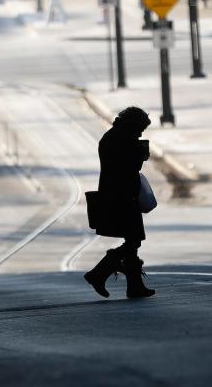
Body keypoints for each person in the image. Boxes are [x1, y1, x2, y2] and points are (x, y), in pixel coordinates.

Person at [84, 106, 155, 299]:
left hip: (118, 195)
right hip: (122, 197)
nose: (141, 133)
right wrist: (141, 155)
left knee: (132, 241)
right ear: (133, 124)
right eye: (140, 128)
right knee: (133, 240)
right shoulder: (123, 139)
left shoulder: (113, 136)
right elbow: (127, 168)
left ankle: (134, 286)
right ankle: (99, 272)